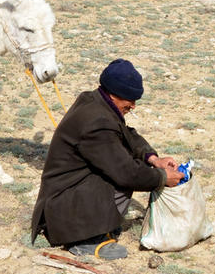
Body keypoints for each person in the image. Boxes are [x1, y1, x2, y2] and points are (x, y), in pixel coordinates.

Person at [30, 58, 184, 260]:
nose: (133, 106)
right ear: (114, 94)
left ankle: (96, 227)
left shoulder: (95, 101)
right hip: (61, 207)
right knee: (118, 175)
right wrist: (162, 177)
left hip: (61, 199)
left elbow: (126, 135)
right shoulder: (97, 121)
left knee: (121, 162)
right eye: (130, 100)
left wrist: (154, 159)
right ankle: (85, 240)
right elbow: (127, 173)